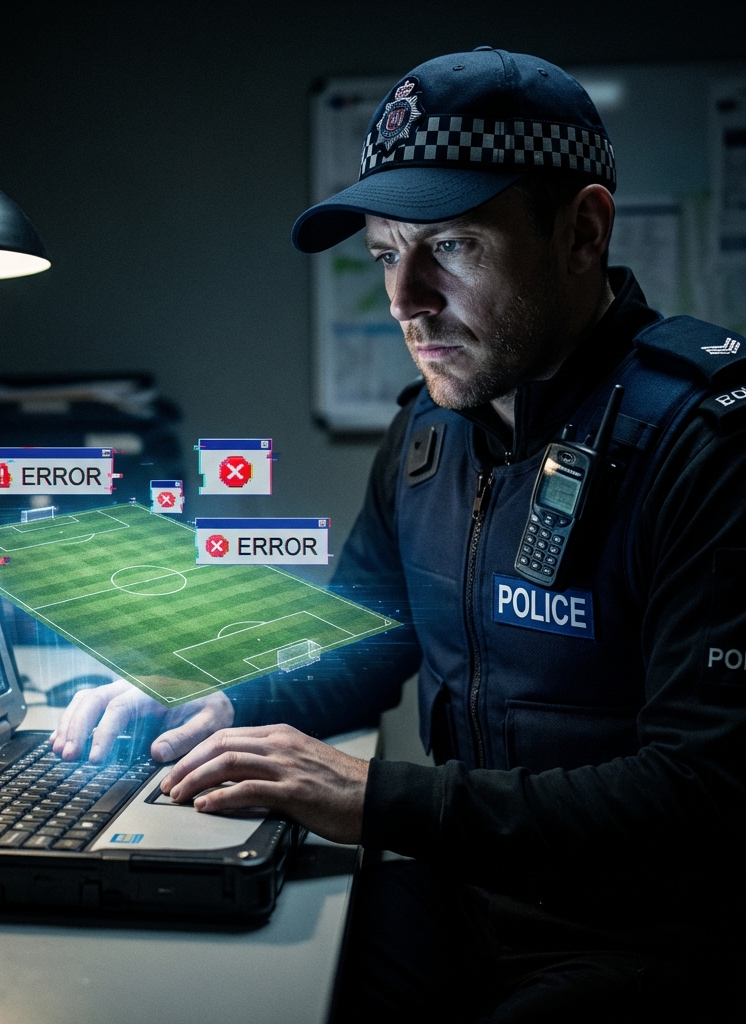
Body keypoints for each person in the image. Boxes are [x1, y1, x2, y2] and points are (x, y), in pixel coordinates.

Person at [51, 48, 746, 1021]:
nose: (403, 299)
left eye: (452, 246)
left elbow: (702, 798)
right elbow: (365, 640)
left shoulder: (708, 445)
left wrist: (376, 797)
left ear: (581, 231)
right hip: (459, 891)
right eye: (384, 252)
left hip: (642, 938)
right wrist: (219, 691)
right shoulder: (427, 431)